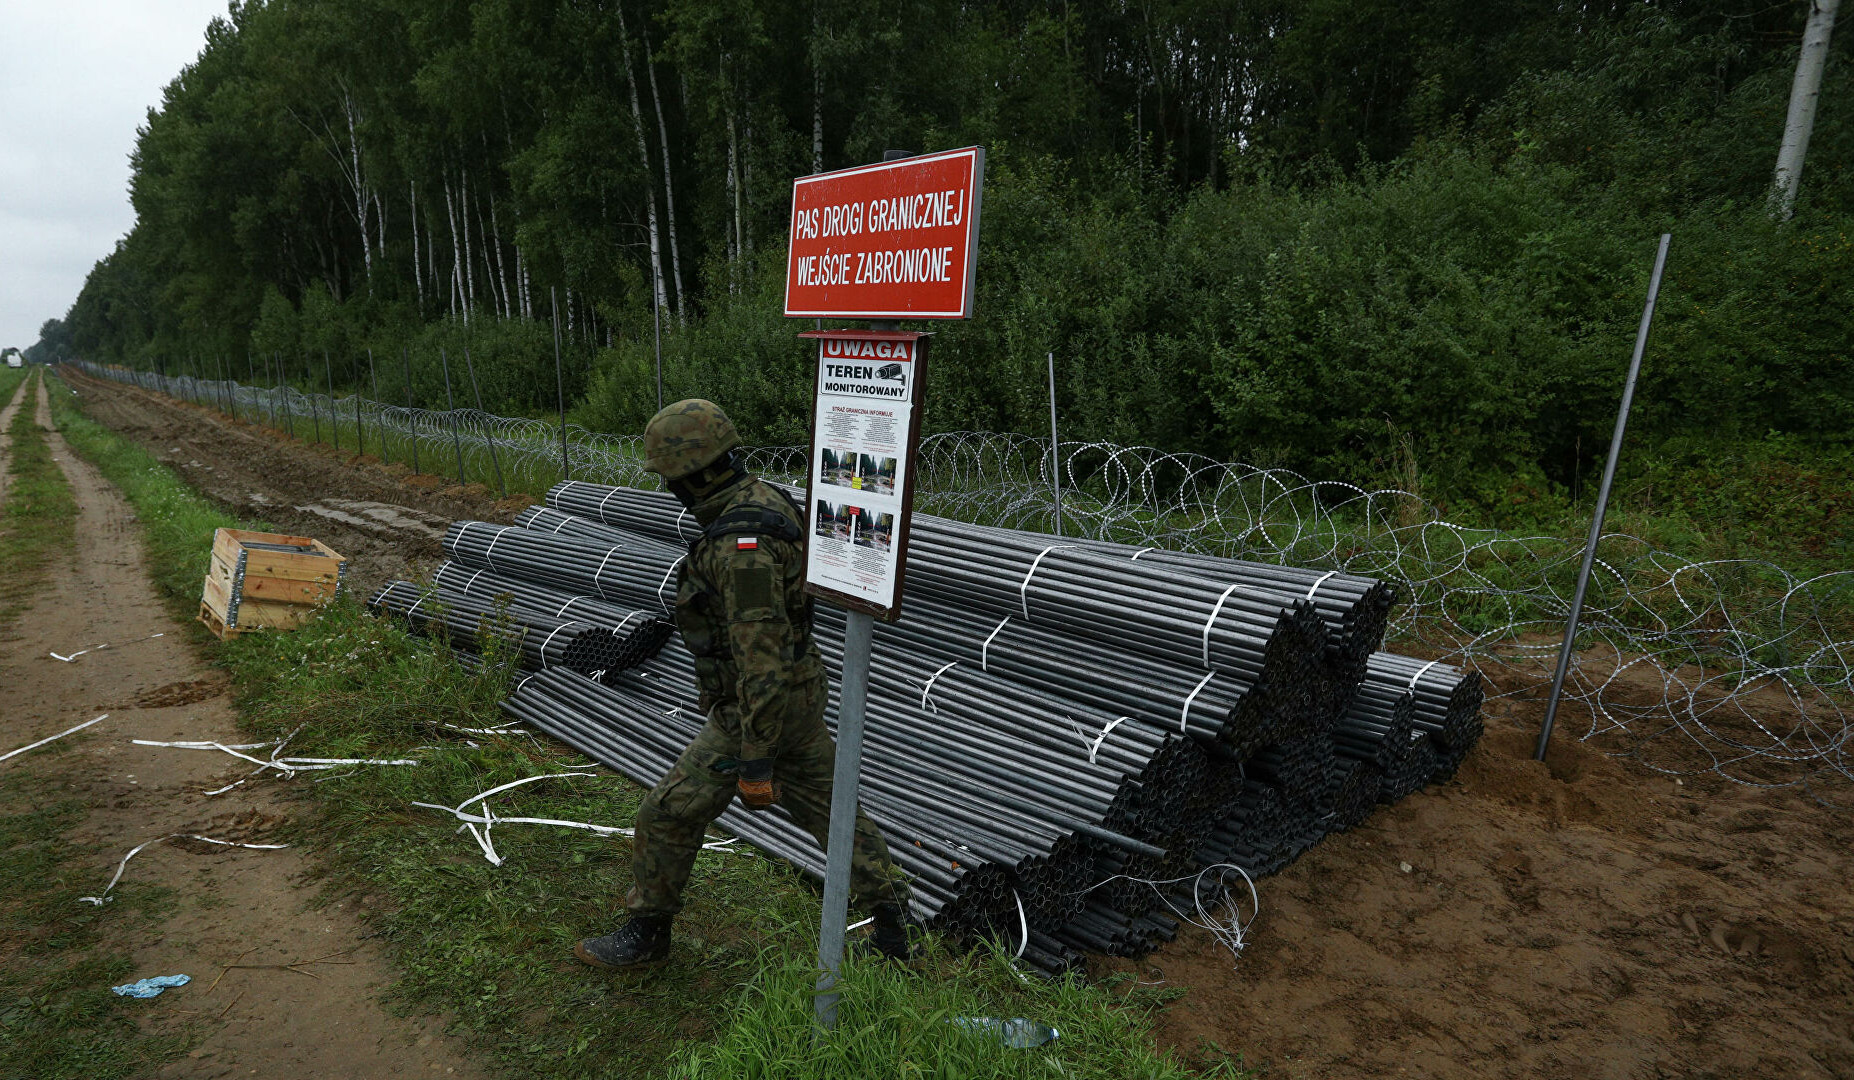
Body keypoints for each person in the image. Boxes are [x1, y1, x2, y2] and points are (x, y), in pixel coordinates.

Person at [575, 399, 919, 971]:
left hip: (761, 711)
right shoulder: (762, 499)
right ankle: (895, 932)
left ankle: (648, 934)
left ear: (698, 472)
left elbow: (761, 663)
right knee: (833, 814)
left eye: (673, 479)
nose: (669, 491)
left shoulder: (743, 550)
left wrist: (755, 764)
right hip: (799, 696)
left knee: (668, 812)